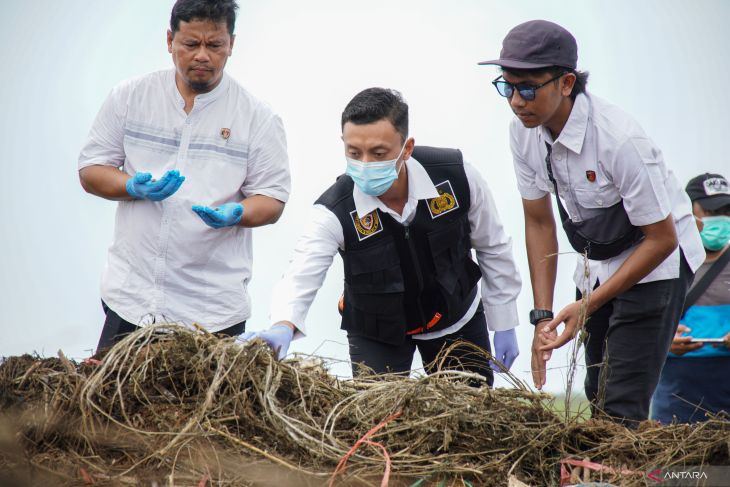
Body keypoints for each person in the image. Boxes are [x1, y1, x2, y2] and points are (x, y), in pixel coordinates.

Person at [479, 20, 704, 425]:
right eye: (506, 86)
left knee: (621, 403)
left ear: (566, 83)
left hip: (657, 262)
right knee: (596, 389)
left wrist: (587, 305)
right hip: (599, 261)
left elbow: (662, 239)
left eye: (527, 88)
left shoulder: (619, 140)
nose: (515, 101)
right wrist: (542, 316)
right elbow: (539, 222)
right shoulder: (523, 131)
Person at [244, 88, 521, 383]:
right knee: (377, 420)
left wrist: (504, 320)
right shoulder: (333, 211)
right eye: (354, 153)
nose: (365, 164)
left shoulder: (456, 176)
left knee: (470, 416)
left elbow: (493, 246)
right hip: (376, 330)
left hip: (456, 317)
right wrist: (282, 325)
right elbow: (301, 274)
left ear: (407, 147)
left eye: (378, 153)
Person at [78, 0, 290, 353]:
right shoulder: (131, 97)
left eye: (215, 45)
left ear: (232, 44)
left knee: (209, 409)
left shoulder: (258, 118)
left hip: (212, 309)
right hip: (132, 297)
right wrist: (131, 186)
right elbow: (91, 170)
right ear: (169, 40)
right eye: (191, 44)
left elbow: (272, 199)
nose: (202, 56)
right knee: (110, 405)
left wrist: (236, 213)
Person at [651, 173, 730, 423]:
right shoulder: (660, 262)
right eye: (710, 210)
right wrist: (663, 341)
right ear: (688, 211)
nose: (721, 218)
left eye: (727, 210)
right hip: (676, 395)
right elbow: (637, 326)